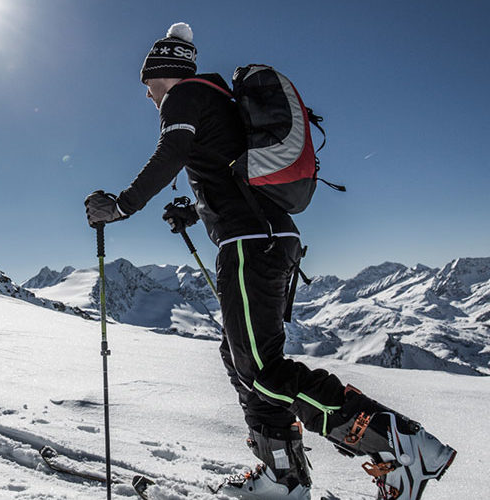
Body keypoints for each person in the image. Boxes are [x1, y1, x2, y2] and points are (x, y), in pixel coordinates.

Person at [84, 23, 456, 500]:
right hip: (269, 238)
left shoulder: (183, 96)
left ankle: (401, 445)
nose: (146, 94)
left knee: (262, 370)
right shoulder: (217, 101)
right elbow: (227, 173)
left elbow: (171, 151)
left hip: (249, 244)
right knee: (243, 359)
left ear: (163, 72)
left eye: (147, 82)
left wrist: (122, 205)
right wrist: (196, 213)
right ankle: (283, 476)